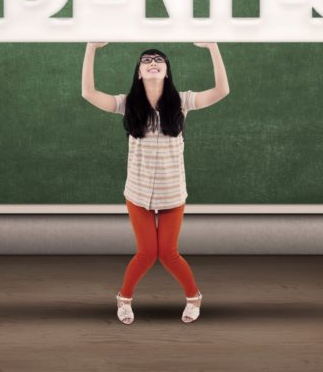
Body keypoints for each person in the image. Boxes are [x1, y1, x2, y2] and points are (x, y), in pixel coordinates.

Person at [81, 42, 230, 324]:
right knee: (148, 253)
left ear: (166, 71)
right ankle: (123, 299)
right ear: (139, 72)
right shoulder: (127, 105)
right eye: (146, 60)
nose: (152, 62)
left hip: (173, 193)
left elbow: (222, 90)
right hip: (138, 194)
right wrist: (91, 48)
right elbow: (88, 93)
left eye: (158, 60)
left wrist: (212, 46)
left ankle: (194, 297)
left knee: (169, 254)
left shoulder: (182, 102)